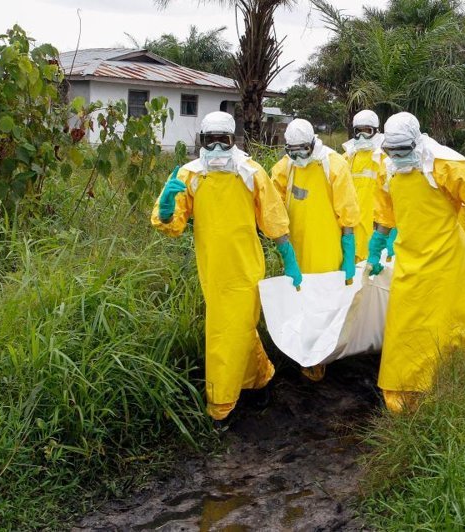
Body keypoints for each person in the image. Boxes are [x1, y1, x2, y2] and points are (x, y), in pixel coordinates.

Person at [364, 112, 465, 413]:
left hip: (448, 261)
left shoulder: (444, 165)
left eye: (403, 151)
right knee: (405, 328)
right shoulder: (387, 168)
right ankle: (404, 392)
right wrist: (375, 248)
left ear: (417, 143)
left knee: (449, 326)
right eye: (392, 151)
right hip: (410, 261)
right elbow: (386, 213)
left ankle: (451, 384)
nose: (398, 157)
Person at [151, 111, 302, 425]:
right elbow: (173, 224)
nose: (218, 147)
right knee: (239, 328)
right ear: (202, 141)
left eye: (225, 140)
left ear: (234, 140)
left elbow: (272, 216)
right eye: (212, 140)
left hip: (246, 267)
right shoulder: (189, 175)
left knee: (226, 330)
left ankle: (221, 402)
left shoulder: (250, 172)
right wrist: (166, 211)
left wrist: (288, 257)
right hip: (212, 268)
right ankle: (261, 380)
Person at [271, 118, 360, 381]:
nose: (298, 156)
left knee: (325, 303)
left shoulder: (333, 165)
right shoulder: (284, 168)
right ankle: (303, 353)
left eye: (303, 150)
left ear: (313, 144)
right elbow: (271, 205)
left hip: (326, 249)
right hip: (296, 249)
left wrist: (348, 250)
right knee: (299, 302)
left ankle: (322, 356)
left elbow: (348, 212)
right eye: (292, 150)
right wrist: (284, 250)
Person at [341, 110, 392, 262]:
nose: (362, 136)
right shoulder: (347, 158)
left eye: (367, 131)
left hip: (377, 227)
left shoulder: (386, 158)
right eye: (359, 131)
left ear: (376, 131)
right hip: (351, 227)